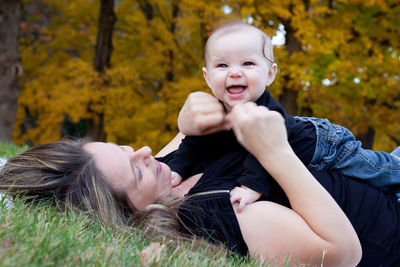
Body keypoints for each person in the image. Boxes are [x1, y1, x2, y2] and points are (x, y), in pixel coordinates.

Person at [1, 103, 399, 265]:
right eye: (136, 169)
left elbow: (183, 135)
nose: (144, 151)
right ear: (131, 212)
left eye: (124, 147)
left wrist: (189, 116)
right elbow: (342, 254)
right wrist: (275, 154)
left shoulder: (166, 176)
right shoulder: (215, 212)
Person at [168, 21, 400, 209]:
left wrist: (250, 187)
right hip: (302, 158)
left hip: (324, 146)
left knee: (374, 170)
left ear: (270, 74)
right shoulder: (211, 111)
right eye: (223, 66)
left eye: (248, 63)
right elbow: (193, 142)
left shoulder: (267, 111)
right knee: (364, 186)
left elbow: (262, 153)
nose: (235, 72)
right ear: (207, 78)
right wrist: (177, 170)